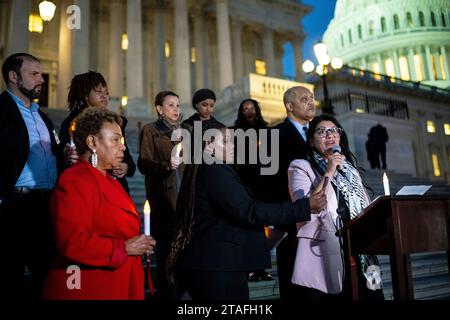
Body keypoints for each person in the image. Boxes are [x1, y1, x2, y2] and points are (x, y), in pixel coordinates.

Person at [166, 121, 327, 300]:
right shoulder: (213, 169)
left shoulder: (207, 168)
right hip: (219, 267)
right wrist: (304, 206)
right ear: (208, 145)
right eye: (226, 141)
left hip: (216, 264)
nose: (233, 145)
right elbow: (249, 211)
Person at [41, 107, 156, 300]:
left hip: (118, 282)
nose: (124, 147)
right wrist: (124, 248)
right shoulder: (74, 181)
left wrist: (140, 244)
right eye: (116, 139)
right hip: (89, 285)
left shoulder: (110, 180)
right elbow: (73, 242)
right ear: (92, 142)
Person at [288, 114, 384, 300]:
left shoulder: (350, 169)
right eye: (322, 131)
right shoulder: (300, 167)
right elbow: (307, 205)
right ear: (311, 140)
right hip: (327, 247)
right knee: (342, 296)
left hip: (364, 247)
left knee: (374, 294)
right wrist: (329, 171)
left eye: (334, 130)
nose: (329, 135)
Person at [0, 53, 60, 299]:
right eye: (34, 74)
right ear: (13, 77)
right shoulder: (1, 110)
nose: (41, 79)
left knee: (48, 279)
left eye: (41, 74)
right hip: (14, 207)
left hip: (45, 206)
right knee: (8, 278)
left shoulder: (41, 115)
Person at [260, 85, 316, 300]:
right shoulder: (274, 135)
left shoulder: (320, 132)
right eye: (304, 99)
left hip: (323, 220)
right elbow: (266, 181)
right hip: (291, 219)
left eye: (311, 97)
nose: (310, 101)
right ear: (290, 106)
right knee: (296, 286)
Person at [138, 90, 184, 299]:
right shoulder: (150, 130)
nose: (176, 109)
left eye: (178, 105)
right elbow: (144, 163)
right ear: (159, 109)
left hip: (185, 201)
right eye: (171, 105)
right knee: (167, 257)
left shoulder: (186, 131)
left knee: (185, 257)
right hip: (163, 202)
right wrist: (167, 165)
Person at [59, 71, 135, 193]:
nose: (104, 96)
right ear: (85, 95)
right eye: (99, 92)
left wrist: (125, 167)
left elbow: (128, 159)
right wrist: (65, 153)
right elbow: (62, 152)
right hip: (85, 185)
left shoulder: (115, 123)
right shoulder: (72, 123)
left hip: (114, 186)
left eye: (106, 93)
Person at [231, 98, 272, 282]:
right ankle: (248, 267)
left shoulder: (266, 130)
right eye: (245, 109)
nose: (248, 112)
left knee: (262, 229)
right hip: (244, 182)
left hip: (262, 183)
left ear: (257, 110)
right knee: (247, 227)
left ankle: (261, 268)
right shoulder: (235, 132)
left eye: (251, 108)